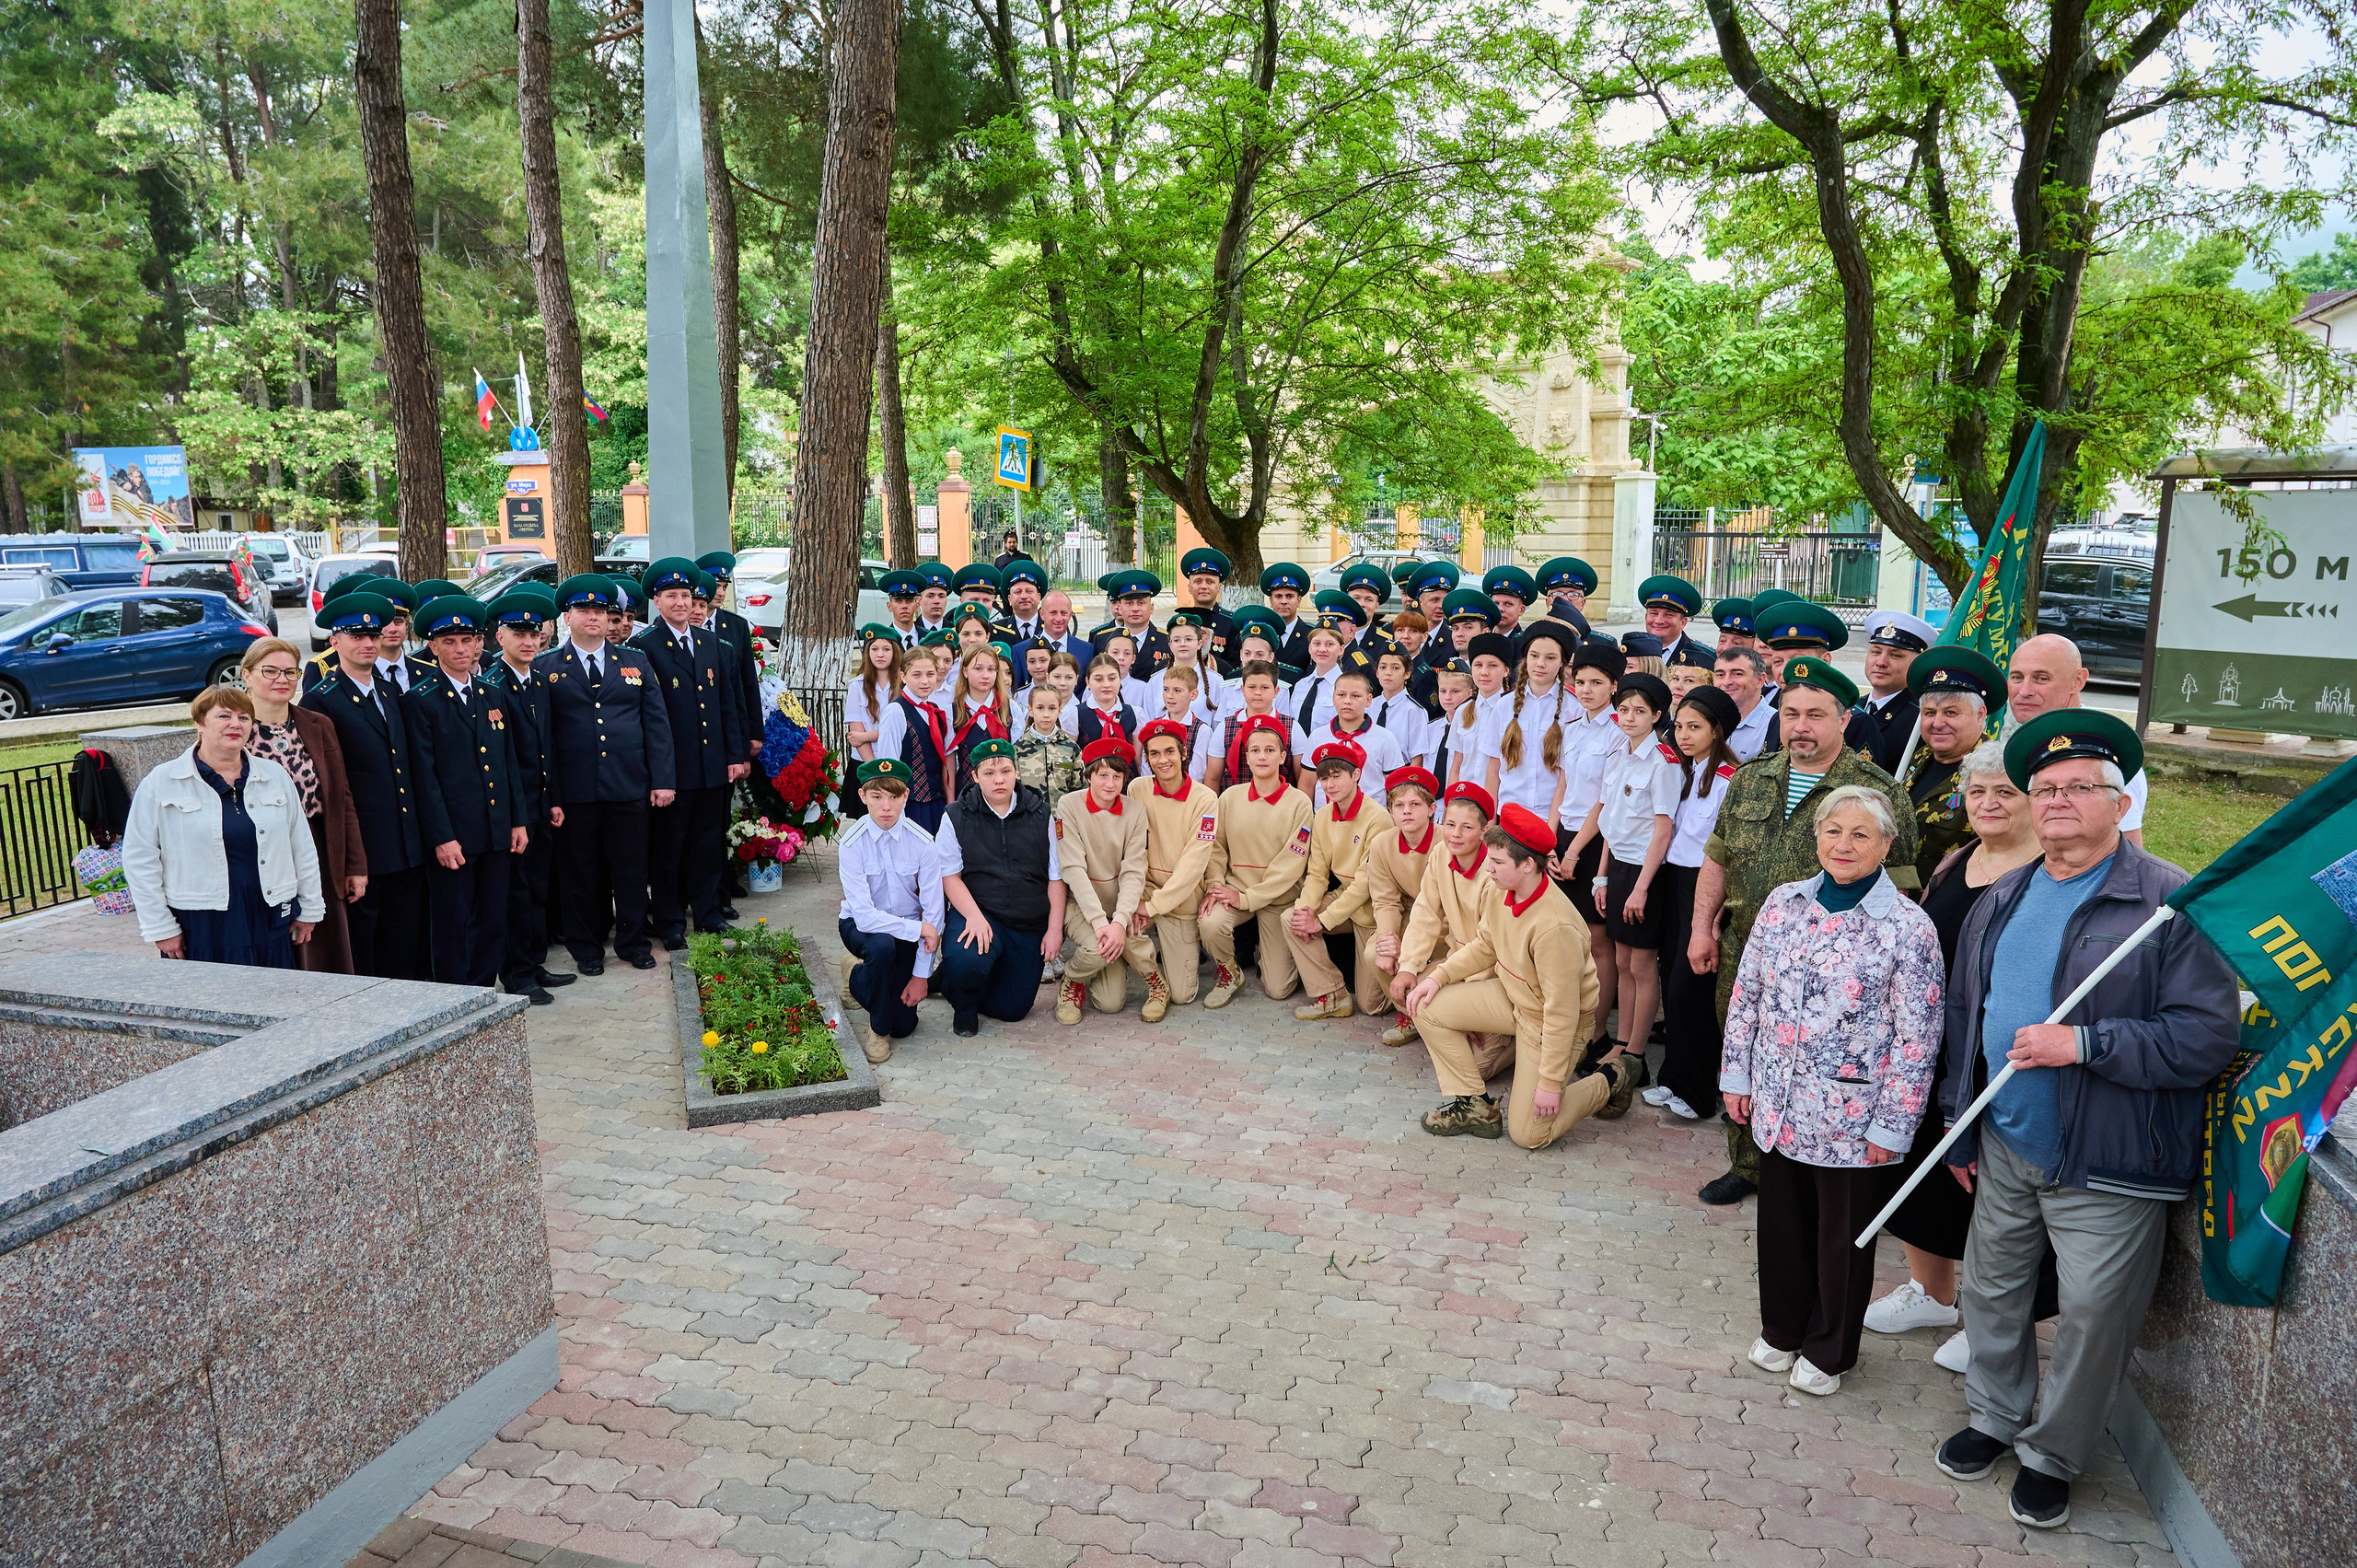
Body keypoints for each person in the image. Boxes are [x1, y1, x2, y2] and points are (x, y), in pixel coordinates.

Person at [1931, 709, 2236, 1531]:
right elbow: (1966, 1012)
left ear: (2119, 803)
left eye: (2080, 787)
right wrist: (1961, 1119)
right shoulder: (2005, 892)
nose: (2059, 800)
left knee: (2096, 1313)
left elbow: (2207, 1035)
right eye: (2046, 788)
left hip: (2109, 1156)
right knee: (1991, 1290)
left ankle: (2053, 1454)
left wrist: (2087, 1043)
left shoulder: (2169, 901)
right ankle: (1995, 1414)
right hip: (2007, 1140)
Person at [1722, 785, 1945, 1398]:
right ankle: (1782, 1328)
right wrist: (1737, 1075)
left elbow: (1919, 1037)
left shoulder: (1909, 927)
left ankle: (1829, 1349)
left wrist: (1894, 1125)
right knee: (1783, 1229)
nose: (1844, 844)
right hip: (1780, 1101)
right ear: (1816, 837)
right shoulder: (1783, 903)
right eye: (1833, 831)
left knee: (1842, 1240)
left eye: (1860, 834)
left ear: (1886, 845)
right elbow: (1748, 992)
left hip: (1854, 1115)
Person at [1687, 656, 1919, 1205]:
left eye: (1815, 715)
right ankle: (1748, 1163)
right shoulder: (1752, 778)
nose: (1800, 727)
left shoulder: (1878, 792)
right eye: (1791, 714)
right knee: (1745, 1052)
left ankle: (1811, 1168)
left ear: (1844, 720)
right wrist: (1701, 928)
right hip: (1746, 948)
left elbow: (1903, 889)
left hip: (1836, 969)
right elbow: (1717, 858)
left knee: (1821, 1064)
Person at [1864, 739, 2042, 1374]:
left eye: (2005, 792)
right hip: (1933, 1046)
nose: (1987, 803)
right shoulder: (1955, 860)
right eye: (1977, 791)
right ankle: (1932, 1293)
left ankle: (1991, 1318)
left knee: (1991, 1192)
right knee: (1921, 1176)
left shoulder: (2045, 872)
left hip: (1999, 1054)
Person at [1403, 804, 1629, 1145]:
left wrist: (1550, 1085)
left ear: (1527, 865)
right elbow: (1485, 945)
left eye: (1496, 862)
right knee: (1425, 1005)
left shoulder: (1556, 927)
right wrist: (1438, 977)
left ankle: (1610, 1079)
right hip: (1514, 999)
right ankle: (1475, 1106)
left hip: (1549, 1022)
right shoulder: (1501, 889)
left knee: (1530, 1135)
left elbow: (1562, 1013)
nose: (1488, 868)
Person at [124, 683, 323, 968]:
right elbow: (139, 858)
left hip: (269, 915)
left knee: (276, 991)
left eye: (244, 717)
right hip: (201, 923)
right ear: (199, 723)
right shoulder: (162, 782)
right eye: (223, 716)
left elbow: (301, 847)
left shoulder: (274, 775)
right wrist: (160, 927)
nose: (235, 724)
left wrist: (311, 906)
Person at [538, 575, 677, 975]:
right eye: (584, 610)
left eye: (600, 611)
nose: (594, 618)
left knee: (631, 869)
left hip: (628, 784)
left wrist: (663, 779)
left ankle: (633, 942)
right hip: (575, 788)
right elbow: (544, 737)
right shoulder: (547, 667)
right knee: (579, 872)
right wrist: (552, 794)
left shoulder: (634, 661)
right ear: (567, 618)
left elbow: (657, 725)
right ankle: (586, 948)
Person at [1561, 673, 1675, 1109]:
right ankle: (1622, 1041)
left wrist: (1641, 888)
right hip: (1620, 868)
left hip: (1647, 872)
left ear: (1657, 715)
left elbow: (1662, 830)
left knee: (1641, 965)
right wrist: (1603, 876)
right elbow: (1609, 821)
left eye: (1639, 711)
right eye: (1624, 709)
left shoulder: (1662, 761)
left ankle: (1636, 1054)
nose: (1629, 717)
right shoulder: (1619, 754)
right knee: (1623, 960)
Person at [401, 596, 528, 987]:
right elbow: (425, 778)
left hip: (496, 828)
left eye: (467, 640)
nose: (460, 649)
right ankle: (455, 995)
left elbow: (507, 762)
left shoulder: (492, 693)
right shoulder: (420, 700)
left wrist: (517, 820)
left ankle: (483, 991)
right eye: (449, 642)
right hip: (455, 834)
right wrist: (442, 837)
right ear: (433, 647)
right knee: (453, 921)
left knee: (492, 918)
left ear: (478, 644)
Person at [302, 592, 428, 980]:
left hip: (405, 840)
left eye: (373, 635)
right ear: (335, 641)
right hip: (365, 844)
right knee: (366, 943)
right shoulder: (321, 701)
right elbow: (332, 784)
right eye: (356, 636)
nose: (368, 643)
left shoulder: (390, 691)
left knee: (405, 939)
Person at [240, 638, 366, 976]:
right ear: (247, 675)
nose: (282, 679)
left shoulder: (317, 724)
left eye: (290, 672)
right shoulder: (235, 730)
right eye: (270, 671)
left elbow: (342, 798)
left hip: (318, 847)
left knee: (324, 948)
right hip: (261, 853)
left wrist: (355, 865)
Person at [1645, 687, 1740, 1122]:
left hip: (1703, 889)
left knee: (1692, 989)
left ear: (1717, 731)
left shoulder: (1729, 780)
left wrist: (1716, 914)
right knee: (1672, 984)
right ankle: (1673, 1077)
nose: (1683, 735)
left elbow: (1728, 854)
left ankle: (1699, 1091)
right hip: (1674, 881)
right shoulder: (1683, 772)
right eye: (1679, 726)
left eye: (1695, 727)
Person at [935, 737, 1063, 1036]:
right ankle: (964, 1007)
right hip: (980, 912)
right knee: (966, 961)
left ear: (1016, 772)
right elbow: (950, 876)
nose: (999, 779)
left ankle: (946, 980)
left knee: (1013, 1009)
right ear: (975, 776)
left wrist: (1054, 929)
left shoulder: (1041, 813)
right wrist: (974, 916)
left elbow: (1056, 877)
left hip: (1027, 922)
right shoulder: (955, 815)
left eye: (1005, 771)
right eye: (989, 773)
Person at [483, 588, 573, 1004]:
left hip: (540, 804)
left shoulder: (538, 680)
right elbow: (499, 759)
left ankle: (534, 962)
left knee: (537, 887)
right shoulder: (492, 685)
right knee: (515, 894)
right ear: (499, 637)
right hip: (513, 809)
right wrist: (516, 814)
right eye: (518, 634)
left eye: (534, 634)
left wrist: (553, 799)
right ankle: (517, 975)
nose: (528, 641)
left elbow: (548, 746)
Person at [1200, 715, 1313, 1007]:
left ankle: (1275, 956)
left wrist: (1248, 898)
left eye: (1270, 750)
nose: (1262, 757)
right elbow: (1216, 848)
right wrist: (1215, 885)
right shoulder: (1229, 798)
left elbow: (1290, 865)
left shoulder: (1299, 803)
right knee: (1210, 923)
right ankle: (1229, 973)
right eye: (1255, 750)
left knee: (1278, 989)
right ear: (1246, 757)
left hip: (1278, 898)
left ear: (1283, 756)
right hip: (1237, 889)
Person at [836, 757, 944, 1063]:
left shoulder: (923, 843)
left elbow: (934, 913)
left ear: (906, 796)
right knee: (882, 949)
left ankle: (855, 975)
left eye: (894, 797)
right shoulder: (852, 844)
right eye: (877, 797)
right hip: (859, 926)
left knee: (905, 1025)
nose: (886, 806)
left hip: (907, 930)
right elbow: (866, 917)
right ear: (862, 796)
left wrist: (921, 975)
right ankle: (878, 1031)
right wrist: (919, 929)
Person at [1054, 738, 1167, 1023]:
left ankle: (1157, 984)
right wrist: (1099, 923)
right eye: (1102, 775)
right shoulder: (1069, 806)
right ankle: (1073, 980)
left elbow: (1133, 871)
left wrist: (1119, 921)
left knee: (1110, 1003)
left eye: (1117, 776)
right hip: (1081, 906)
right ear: (1089, 775)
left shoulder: (1135, 811)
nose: (1110, 783)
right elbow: (1073, 870)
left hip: (1118, 905)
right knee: (1095, 951)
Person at [1283, 738, 1394, 1021]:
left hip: (1373, 909)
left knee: (1371, 1006)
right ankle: (1332, 994)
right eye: (1324, 779)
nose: (1329, 785)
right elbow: (1317, 874)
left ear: (1356, 775)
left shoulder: (1378, 818)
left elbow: (1365, 885)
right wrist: (1307, 910)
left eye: (1336, 776)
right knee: (1292, 918)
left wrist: (1321, 921)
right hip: (1345, 899)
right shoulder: (1322, 816)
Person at [2003, 633, 2146, 848]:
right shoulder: (2026, 737)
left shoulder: (2101, 751)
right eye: (2016, 677)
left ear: (2078, 681)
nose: (2024, 691)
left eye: (2041, 678)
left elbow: (2127, 853)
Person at [1128, 717, 1222, 1009]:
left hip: (1182, 898)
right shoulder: (1137, 789)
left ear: (1183, 753)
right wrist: (1135, 900)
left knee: (1183, 995)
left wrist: (1153, 907)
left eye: (1169, 751)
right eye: (1154, 754)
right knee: (1119, 929)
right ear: (1147, 758)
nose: (1163, 760)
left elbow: (1193, 865)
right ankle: (1155, 983)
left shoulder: (1205, 799)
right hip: (1145, 891)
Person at [1899, 646, 2004, 884]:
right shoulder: (1918, 758)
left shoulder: (1995, 773)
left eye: (1951, 713)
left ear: (1980, 715)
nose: (1937, 723)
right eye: (1929, 713)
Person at [1364, 764, 1438, 1046]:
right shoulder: (1382, 844)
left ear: (1431, 809)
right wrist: (1389, 937)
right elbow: (1385, 900)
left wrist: (1408, 949)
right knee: (1376, 952)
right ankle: (1409, 1014)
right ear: (1391, 811)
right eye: (1399, 805)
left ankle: (1436, 1016)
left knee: (1424, 963)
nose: (1407, 811)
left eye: (1415, 804)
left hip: (1443, 923)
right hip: (1408, 915)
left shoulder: (1446, 842)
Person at [872, 645, 953, 832]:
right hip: (912, 803)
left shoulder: (934, 710)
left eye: (930, 674)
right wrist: (896, 811)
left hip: (937, 801)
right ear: (903, 676)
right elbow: (889, 764)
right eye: (917, 675)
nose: (925, 681)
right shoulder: (896, 711)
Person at [1857, 610, 1933, 773]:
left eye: (1895, 655)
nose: (1881, 662)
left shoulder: (1921, 718)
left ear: (1916, 664)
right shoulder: (1851, 707)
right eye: (1876, 652)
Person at [1178, 546, 1242, 673]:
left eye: (1210, 582)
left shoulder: (1231, 623)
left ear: (1219, 588)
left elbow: (1234, 667)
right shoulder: (1181, 621)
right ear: (1189, 588)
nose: (1203, 586)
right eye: (1198, 581)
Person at [1714, 646, 1776, 761]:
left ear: (1760, 680)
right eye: (1720, 675)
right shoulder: (1708, 720)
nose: (1726, 682)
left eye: (1737, 674)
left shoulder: (1776, 725)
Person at [1636, 574, 1708, 667]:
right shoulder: (1633, 652)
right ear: (1646, 617)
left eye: (1668, 615)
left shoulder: (1701, 659)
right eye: (1654, 613)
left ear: (1683, 622)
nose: (1659, 621)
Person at [1258, 562, 1315, 668]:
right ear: (1271, 601)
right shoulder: (1261, 634)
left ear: (1299, 600)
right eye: (1278, 596)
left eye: (1289, 596)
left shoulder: (1311, 635)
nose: (1284, 601)